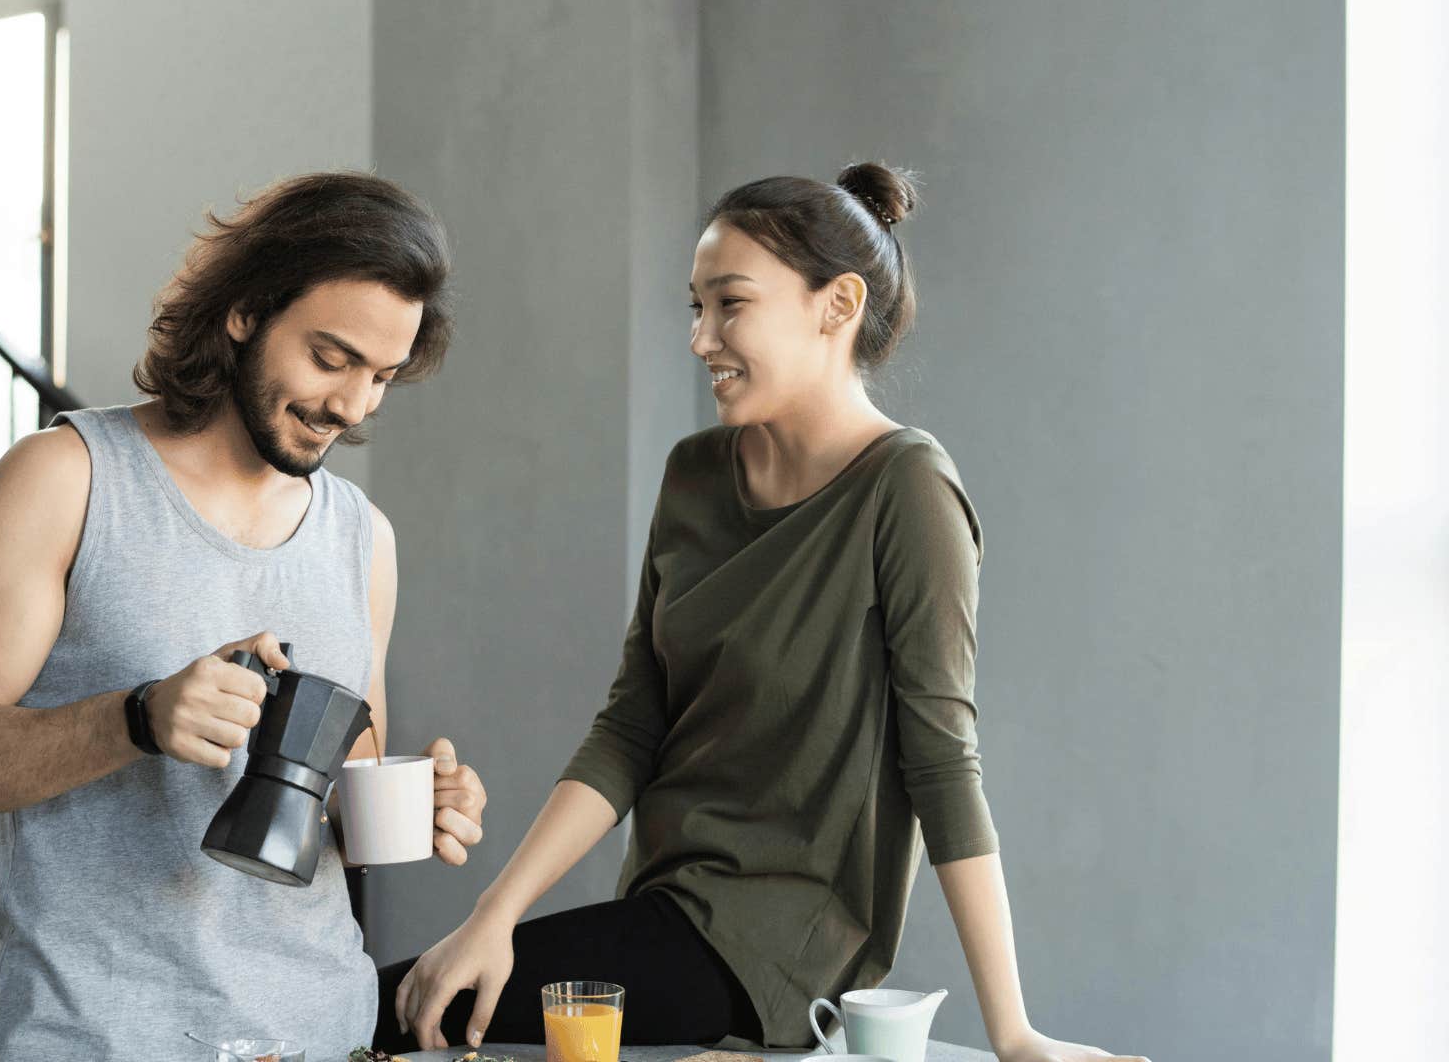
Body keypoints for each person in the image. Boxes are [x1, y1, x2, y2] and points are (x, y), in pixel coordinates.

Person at [378, 165, 1147, 1062]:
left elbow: (943, 763)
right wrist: (493, 916)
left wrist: (1012, 1034)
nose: (701, 338)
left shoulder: (907, 489)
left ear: (838, 304)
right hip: (663, 914)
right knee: (412, 1001)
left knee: (384, 1009)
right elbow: (632, 726)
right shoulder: (694, 475)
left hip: (776, 955)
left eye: (730, 304)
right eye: (694, 307)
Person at [0, 172, 489, 1060]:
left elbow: (338, 803)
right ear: (247, 311)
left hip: (320, 1035)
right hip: (99, 1038)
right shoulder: (63, 479)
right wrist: (136, 718)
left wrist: (423, 802)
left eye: (382, 376)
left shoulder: (363, 540)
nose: (353, 405)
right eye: (331, 359)